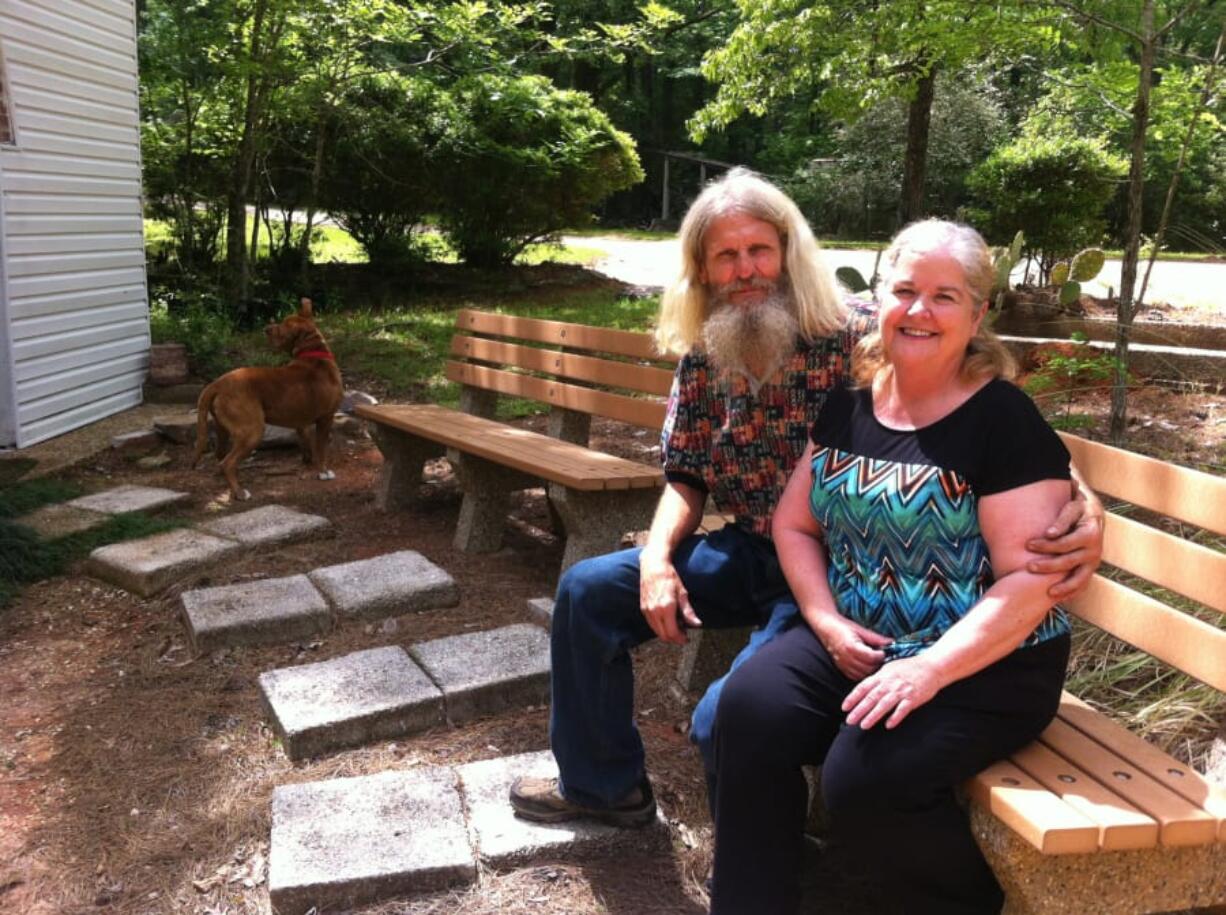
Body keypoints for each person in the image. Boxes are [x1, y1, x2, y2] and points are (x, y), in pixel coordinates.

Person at [508, 170, 1102, 833]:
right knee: (588, 591)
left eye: (759, 250)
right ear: (702, 270)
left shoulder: (858, 335)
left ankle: (789, 851)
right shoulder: (704, 354)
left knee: (722, 715)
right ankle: (602, 786)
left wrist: (1087, 502)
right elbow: (685, 473)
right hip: (745, 547)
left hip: (827, 563)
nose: (746, 270)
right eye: (726, 256)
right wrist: (656, 559)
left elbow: (983, 415)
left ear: (788, 251)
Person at [709, 219, 1079, 915]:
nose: (919, 309)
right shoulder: (850, 406)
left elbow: (1034, 581)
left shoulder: (1003, 420)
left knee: (865, 779)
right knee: (747, 709)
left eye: (945, 295)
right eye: (905, 289)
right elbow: (794, 522)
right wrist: (822, 621)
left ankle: (972, 900)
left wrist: (929, 667)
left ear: (978, 312)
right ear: (879, 299)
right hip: (862, 638)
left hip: (987, 663)